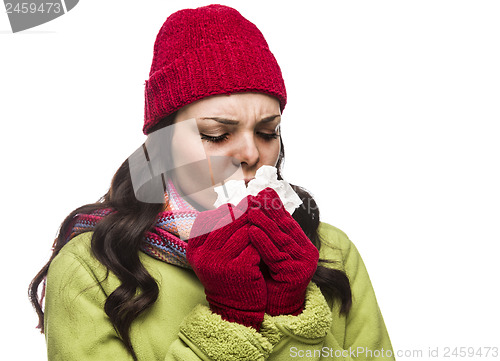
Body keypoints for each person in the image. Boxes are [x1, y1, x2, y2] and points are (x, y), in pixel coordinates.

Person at [29, 4, 395, 360]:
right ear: (162, 143)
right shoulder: (92, 268)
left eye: (268, 132)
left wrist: (289, 307)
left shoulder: (331, 251)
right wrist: (230, 319)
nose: (252, 153)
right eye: (217, 134)